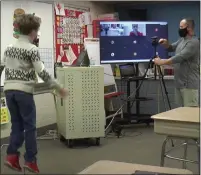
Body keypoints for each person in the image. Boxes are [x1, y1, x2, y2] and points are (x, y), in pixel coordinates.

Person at [2, 14, 68, 173]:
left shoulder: (9, 47)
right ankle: (30, 160)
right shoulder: (32, 49)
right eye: (37, 31)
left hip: (9, 92)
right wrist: (59, 87)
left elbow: (0, 67)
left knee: (16, 126)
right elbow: (43, 73)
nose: (37, 34)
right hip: (24, 92)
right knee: (30, 127)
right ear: (32, 31)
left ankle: (12, 155)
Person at [154, 18, 199, 107]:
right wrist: (166, 44)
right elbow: (171, 47)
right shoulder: (182, 39)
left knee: (189, 113)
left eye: (181, 27)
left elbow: (179, 57)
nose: (179, 29)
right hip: (179, 83)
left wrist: (161, 62)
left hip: (189, 85)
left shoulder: (194, 42)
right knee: (179, 113)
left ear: (189, 28)